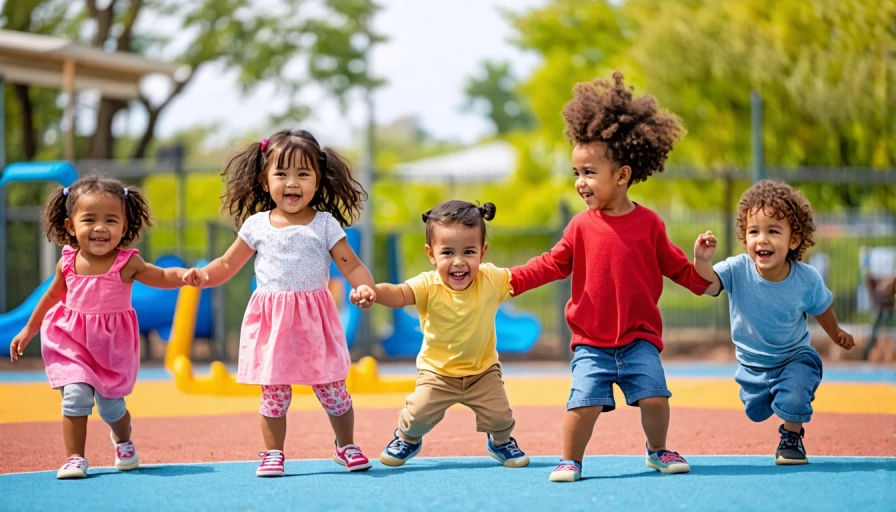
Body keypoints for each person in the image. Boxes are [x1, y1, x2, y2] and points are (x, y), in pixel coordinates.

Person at [510, 71, 712, 482]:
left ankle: (658, 450)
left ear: (621, 175)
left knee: (656, 397)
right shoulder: (580, 227)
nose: (580, 182)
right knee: (582, 405)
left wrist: (706, 271)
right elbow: (550, 264)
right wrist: (507, 280)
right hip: (591, 343)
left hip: (639, 339)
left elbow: (679, 269)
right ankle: (570, 460)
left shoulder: (650, 224)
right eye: (576, 173)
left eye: (589, 172)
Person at [182, 130, 377, 476]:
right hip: (272, 323)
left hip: (314, 320)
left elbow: (352, 264)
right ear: (264, 178)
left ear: (318, 180)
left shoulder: (325, 224)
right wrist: (203, 276)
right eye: (282, 174)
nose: (292, 183)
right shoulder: (257, 225)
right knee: (274, 394)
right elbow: (227, 264)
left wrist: (364, 288)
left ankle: (345, 445)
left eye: (303, 174)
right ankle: (273, 453)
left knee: (333, 389)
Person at [9, 174, 188, 479]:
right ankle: (75, 458)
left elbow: (160, 276)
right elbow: (51, 297)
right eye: (89, 219)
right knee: (75, 395)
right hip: (72, 340)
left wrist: (186, 276)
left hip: (110, 346)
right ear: (71, 227)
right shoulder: (67, 263)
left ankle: (123, 439)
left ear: (124, 225)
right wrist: (29, 329)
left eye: (110, 220)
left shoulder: (127, 262)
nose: (100, 228)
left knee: (111, 409)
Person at [351, 200, 529, 469]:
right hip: (437, 374)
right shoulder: (427, 284)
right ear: (431, 254)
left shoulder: (492, 280)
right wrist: (373, 292)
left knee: (501, 416)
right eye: (447, 252)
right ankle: (407, 439)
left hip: (482, 372)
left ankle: (501, 441)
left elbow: (528, 275)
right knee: (417, 414)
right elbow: (399, 294)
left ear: (483, 251)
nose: (459, 262)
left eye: (469, 251)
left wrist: (560, 262)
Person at [694, 179, 855, 464]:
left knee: (794, 395)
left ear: (793, 240)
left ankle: (791, 439)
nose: (762, 239)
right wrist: (702, 261)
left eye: (773, 231)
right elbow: (707, 285)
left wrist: (836, 333)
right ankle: (771, 397)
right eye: (754, 231)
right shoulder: (736, 269)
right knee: (755, 411)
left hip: (794, 356)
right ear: (745, 238)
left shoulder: (806, 278)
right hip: (753, 363)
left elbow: (822, 307)